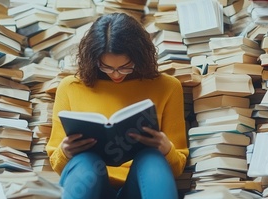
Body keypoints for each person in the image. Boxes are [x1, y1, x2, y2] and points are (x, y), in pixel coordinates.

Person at [46, 13, 189, 199]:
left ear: (140, 57)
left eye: (125, 67)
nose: (116, 75)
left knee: (152, 159)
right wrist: (65, 152)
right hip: (91, 186)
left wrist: (166, 149)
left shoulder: (168, 87)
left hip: (139, 187)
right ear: (93, 59)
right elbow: (57, 164)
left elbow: (177, 168)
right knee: (85, 162)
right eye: (106, 67)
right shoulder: (70, 87)